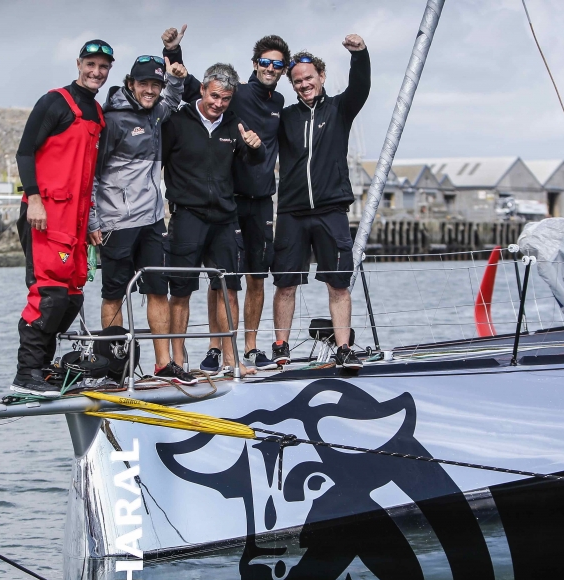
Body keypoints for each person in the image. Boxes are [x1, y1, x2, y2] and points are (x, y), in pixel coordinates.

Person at [162, 27, 290, 373]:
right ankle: (189, 358)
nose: (218, 103)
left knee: (245, 281)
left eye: (277, 64)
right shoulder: (192, 114)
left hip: (245, 206)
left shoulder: (271, 106)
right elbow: (183, 80)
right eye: (265, 62)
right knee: (197, 285)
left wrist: (256, 147)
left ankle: (242, 354)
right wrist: (172, 50)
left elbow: (257, 156)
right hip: (204, 207)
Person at [88, 52, 198, 386]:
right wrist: (93, 220)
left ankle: (164, 364)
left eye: (155, 83)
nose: (150, 90)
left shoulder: (155, 113)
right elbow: (91, 174)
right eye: (144, 84)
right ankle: (112, 367)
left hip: (152, 220)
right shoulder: (113, 119)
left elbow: (171, 98)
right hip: (116, 222)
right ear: (131, 84)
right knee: (114, 294)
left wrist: (176, 77)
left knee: (157, 291)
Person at [11, 39, 113, 397]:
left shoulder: (97, 114)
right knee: (48, 295)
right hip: (45, 215)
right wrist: (34, 199)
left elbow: (88, 177)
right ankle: (26, 373)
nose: (96, 72)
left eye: (103, 67)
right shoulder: (54, 102)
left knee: (71, 297)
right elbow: (25, 152)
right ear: (79, 64)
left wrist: (90, 226)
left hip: (76, 222)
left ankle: (44, 370)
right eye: (90, 64)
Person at [271, 35, 370, 370]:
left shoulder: (340, 109)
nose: (304, 84)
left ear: (322, 77)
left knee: (338, 284)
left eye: (309, 78)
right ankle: (281, 346)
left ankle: (343, 348)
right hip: (291, 213)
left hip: (331, 211)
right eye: (297, 81)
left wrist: (360, 55)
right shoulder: (286, 117)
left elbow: (361, 87)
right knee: (285, 284)